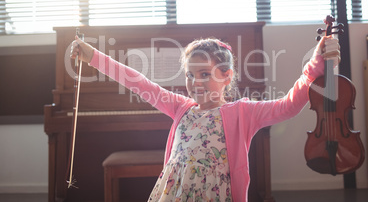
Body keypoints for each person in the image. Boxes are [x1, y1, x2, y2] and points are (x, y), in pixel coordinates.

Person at [70, 35, 340, 202]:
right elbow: (138, 83)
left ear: (226, 77)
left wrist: (317, 64)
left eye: (204, 74)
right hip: (174, 194)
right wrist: (93, 56)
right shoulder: (180, 108)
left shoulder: (242, 112)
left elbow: (288, 105)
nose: (194, 83)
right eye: (189, 75)